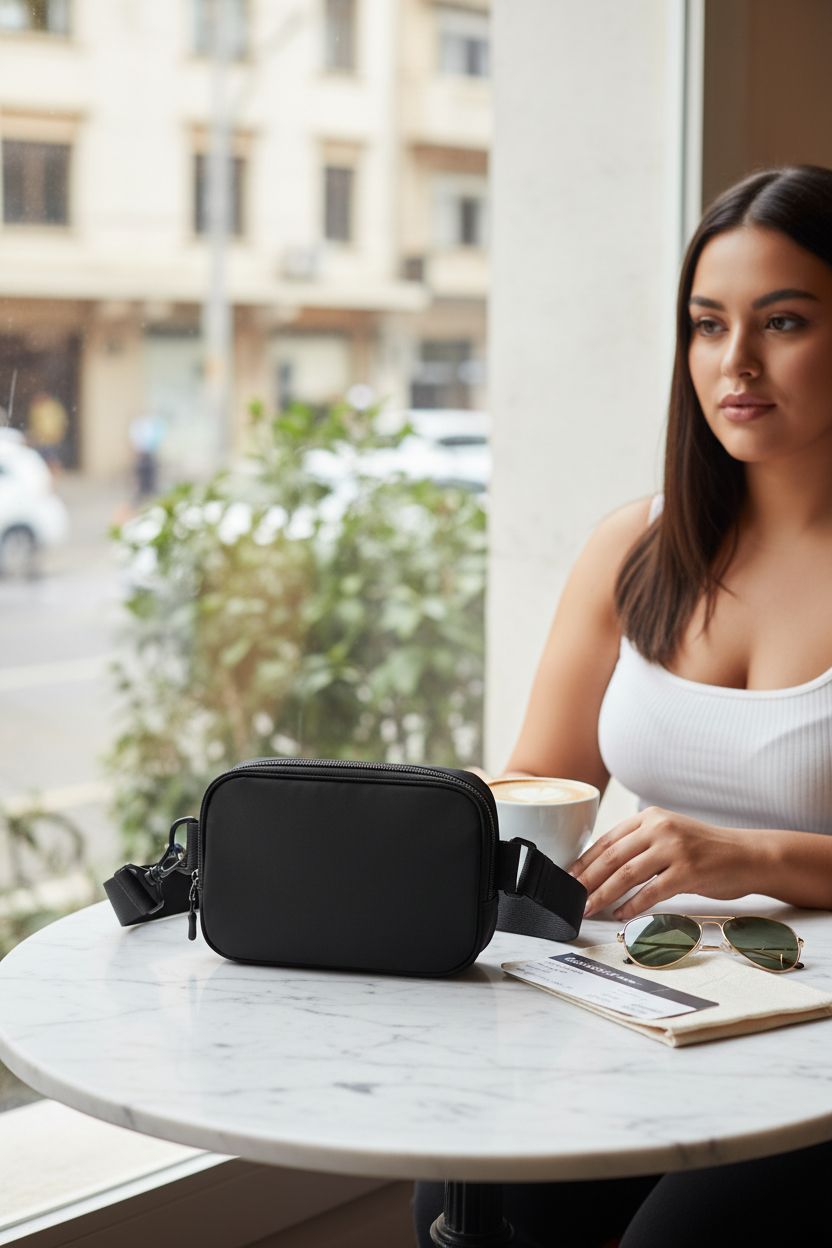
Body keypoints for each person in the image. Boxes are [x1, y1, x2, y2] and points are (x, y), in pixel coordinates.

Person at [414, 163, 832, 1246]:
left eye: (781, 321)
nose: (732, 363)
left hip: (817, 1035)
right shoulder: (636, 549)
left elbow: (736, 855)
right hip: (665, 997)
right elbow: (536, 790)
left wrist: (752, 856)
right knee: (468, 1203)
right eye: (706, 325)